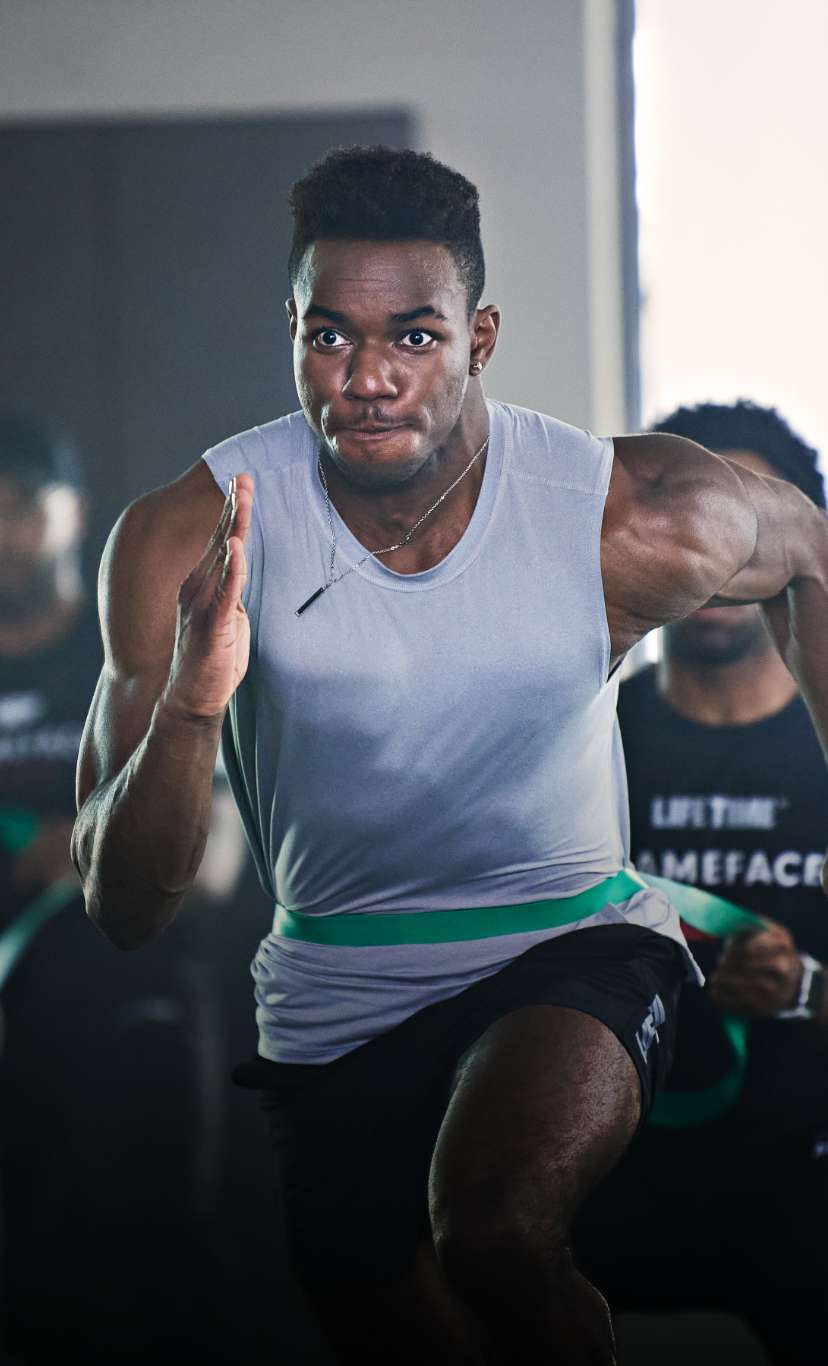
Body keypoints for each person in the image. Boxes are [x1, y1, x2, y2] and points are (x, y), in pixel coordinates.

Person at [71, 147, 828, 1366]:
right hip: (330, 991)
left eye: (412, 338)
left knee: (493, 1232)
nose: (366, 379)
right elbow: (122, 905)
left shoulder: (620, 512)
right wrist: (196, 706)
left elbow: (812, 552)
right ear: (292, 331)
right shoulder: (187, 533)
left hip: (572, 942)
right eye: (330, 337)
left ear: (479, 337)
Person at [575, 401, 828, 1366]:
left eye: (744, 522)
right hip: (604, 1173)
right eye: (687, 514)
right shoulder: (579, 742)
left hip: (801, 1183)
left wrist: (804, 990)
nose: (714, 551)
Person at [0, 412, 247, 1364]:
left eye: (24, 502)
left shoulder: (128, 657)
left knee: (144, 1260)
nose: (5, 529)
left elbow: (216, 859)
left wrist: (101, 839)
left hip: (125, 1007)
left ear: (76, 514)